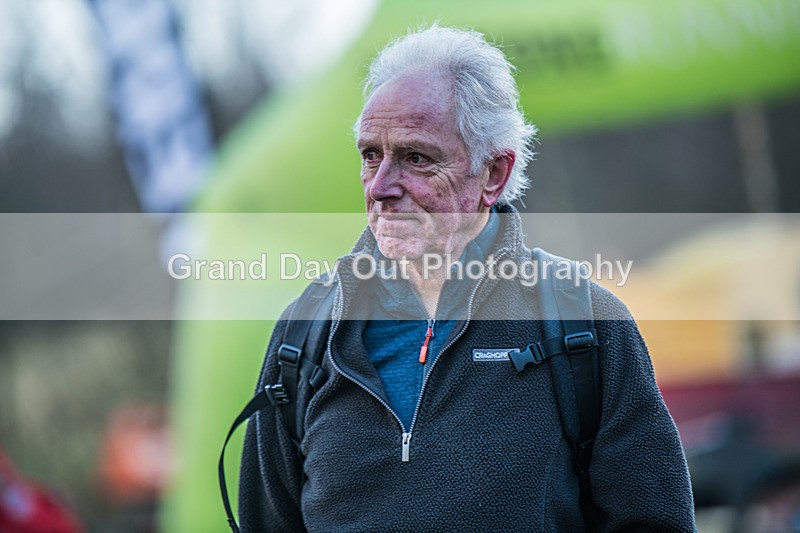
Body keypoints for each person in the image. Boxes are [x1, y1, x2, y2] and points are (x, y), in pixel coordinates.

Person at [238, 25, 696, 532]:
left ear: (493, 174)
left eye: (416, 158)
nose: (382, 186)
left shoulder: (584, 324)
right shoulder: (303, 334)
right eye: (371, 155)